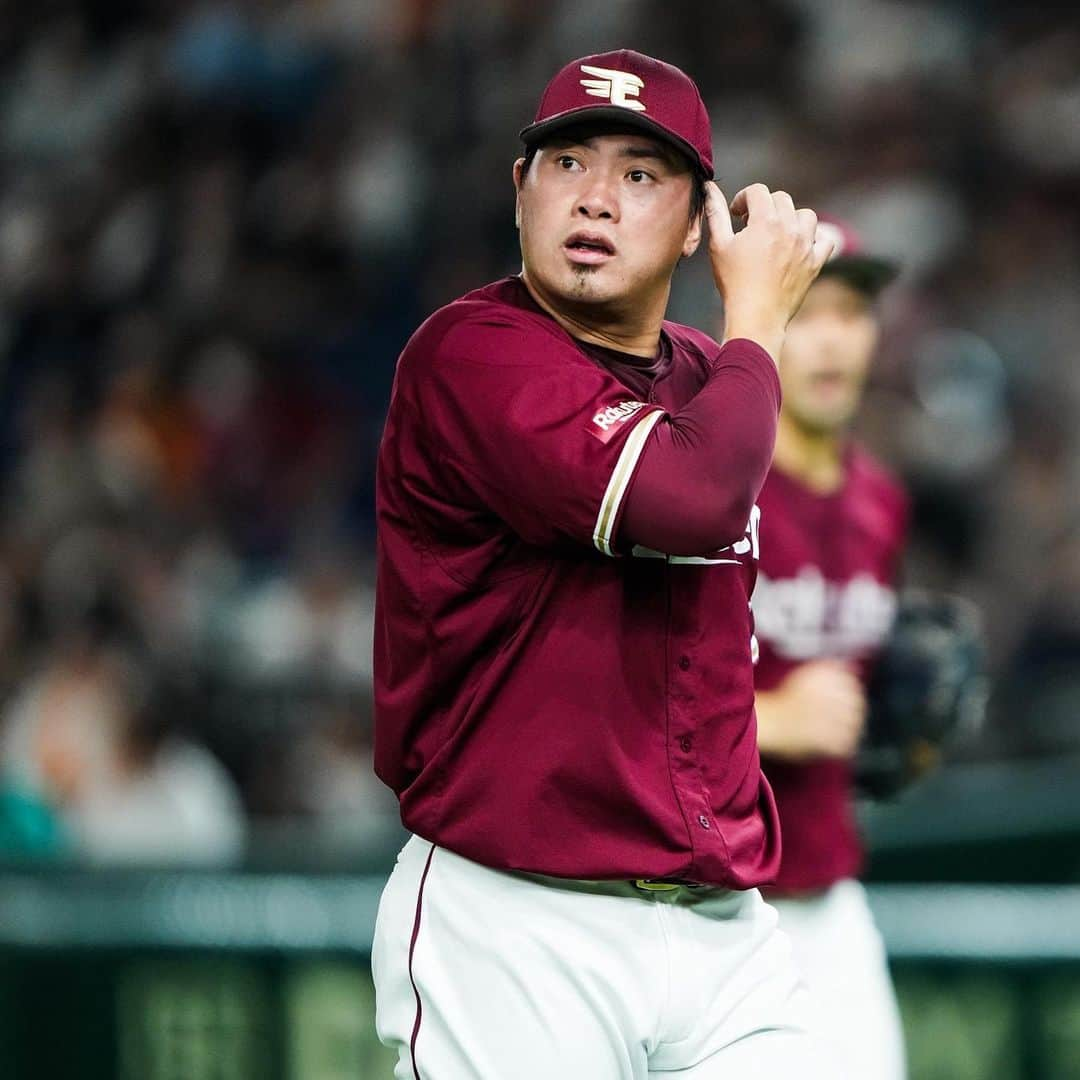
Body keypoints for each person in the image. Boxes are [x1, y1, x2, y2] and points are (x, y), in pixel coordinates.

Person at [372, 49, 835, 1078]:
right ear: (520, 190)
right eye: (568, 161)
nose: (595, 197)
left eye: (639, 175)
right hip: (518, 921)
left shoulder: (717, 381)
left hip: (724, 931)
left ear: (694, 221)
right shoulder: (472, 353)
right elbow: (689, 496)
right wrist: (758, 316)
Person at [750, 218, 908, 1080]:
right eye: (806, 311)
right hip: (710, 902)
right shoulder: (706, 495)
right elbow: (610, 692)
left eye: (852, 313)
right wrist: (770, 715)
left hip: (830, 888)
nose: (832, 339)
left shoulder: (881, 503)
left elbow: (859, 705)